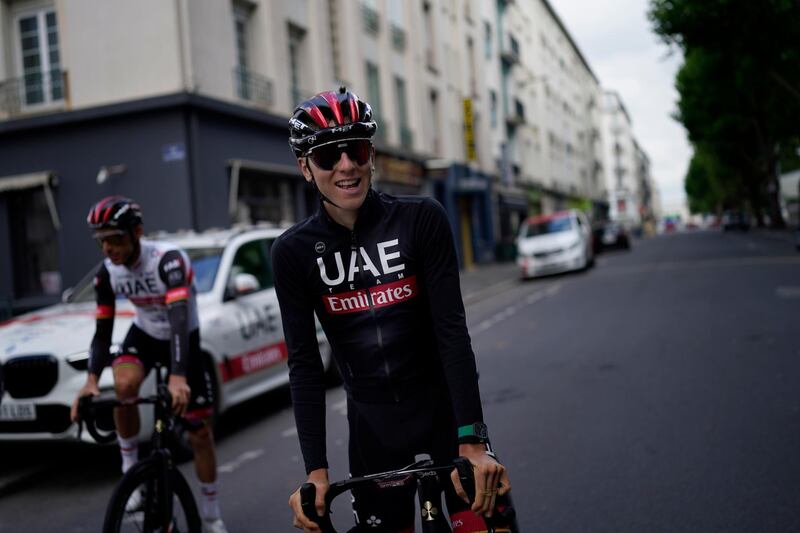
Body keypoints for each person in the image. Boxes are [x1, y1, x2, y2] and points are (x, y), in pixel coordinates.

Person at [273, 87, 513, 533]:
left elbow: (451, 332)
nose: (346, 165)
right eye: (328, 156)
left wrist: (473, 441)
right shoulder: (292, 252)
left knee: (486, 524)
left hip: (446, 418)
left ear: (371, 153)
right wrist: (316, 474)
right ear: (304, 167)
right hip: (374, 432)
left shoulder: (422, 219)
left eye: (357, 148)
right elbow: (304, 365)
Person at [70, 196, 227, 533]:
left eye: (116, 239)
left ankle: (212, 513)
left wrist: (178, 375)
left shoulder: (167, 261)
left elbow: (179, 320)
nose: (109, 248)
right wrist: (91, 380)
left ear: (137, 232)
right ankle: (133, 476)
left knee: (200, 434)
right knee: (123, 385)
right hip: (143, 334)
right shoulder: (107, 274)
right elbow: (102, 331)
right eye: (102, 241)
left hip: (182, 338)